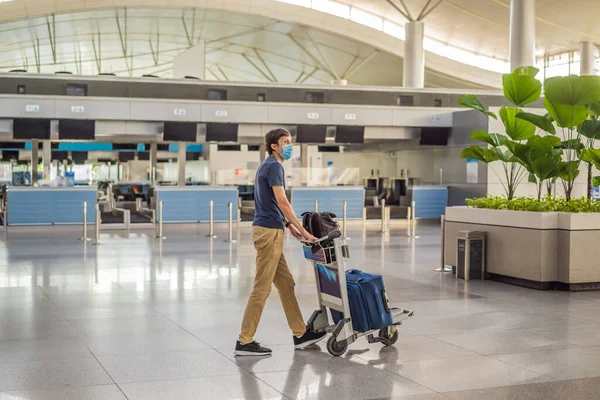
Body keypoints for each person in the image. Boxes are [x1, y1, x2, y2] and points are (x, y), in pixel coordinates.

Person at [235, 128, 327, 356]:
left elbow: (270, 204)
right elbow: (282, 201)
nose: (289, 145)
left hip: (272, 229)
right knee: (262, 288)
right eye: (285, 142)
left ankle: (300, 333)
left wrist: (288, 225)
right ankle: (244, 341)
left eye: (290, 141)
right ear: (274, 146)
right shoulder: (274, 166)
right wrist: (303, 230)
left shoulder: (268, 165)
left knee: (286, 284)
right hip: (268, 233)